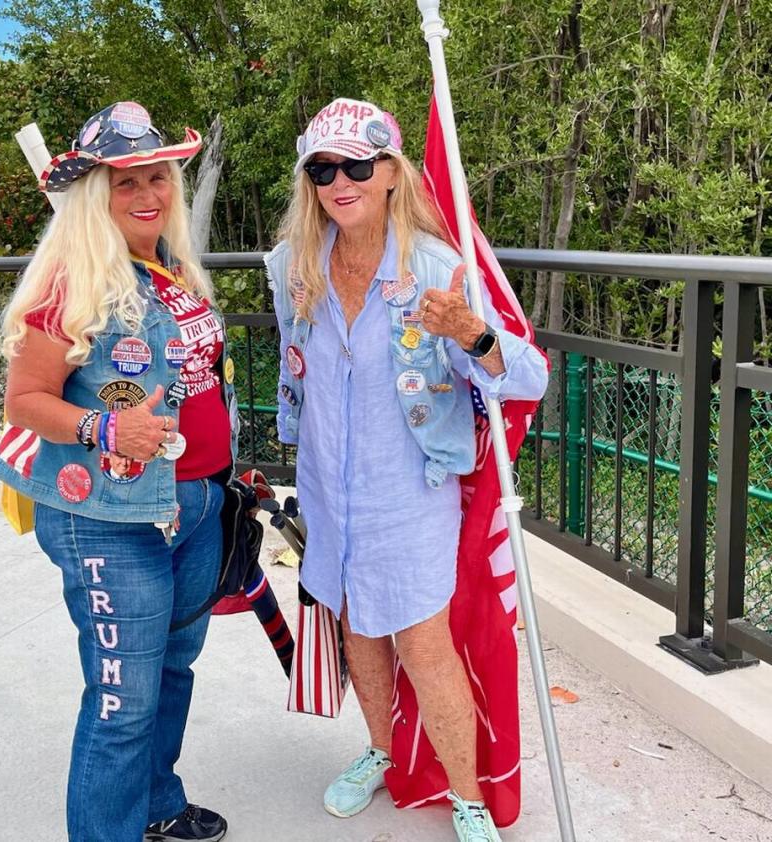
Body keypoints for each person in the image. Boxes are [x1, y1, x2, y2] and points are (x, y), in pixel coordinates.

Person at [266, 97, 548, 842]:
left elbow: (528, 379)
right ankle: (384, 754)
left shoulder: (436, 268)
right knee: (358, 629)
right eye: (323, 168)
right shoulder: (293, 267)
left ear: (392, 173)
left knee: (424, 642)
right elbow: (294, 372)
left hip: (410, 494)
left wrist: (473, 332)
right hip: (328, 489)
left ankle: (467, 797)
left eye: (359, 164)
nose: (340, 181)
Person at [0, 101, 239, 842]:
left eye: (157, 177)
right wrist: (105, 426)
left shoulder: (168, 267)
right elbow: (24, 400)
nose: (147, 195)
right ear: (95, 193)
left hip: (194, 504)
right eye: (124, 182)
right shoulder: (69, 283)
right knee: (120, 701)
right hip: (107, 517)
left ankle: (157, 808)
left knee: (170, 673)